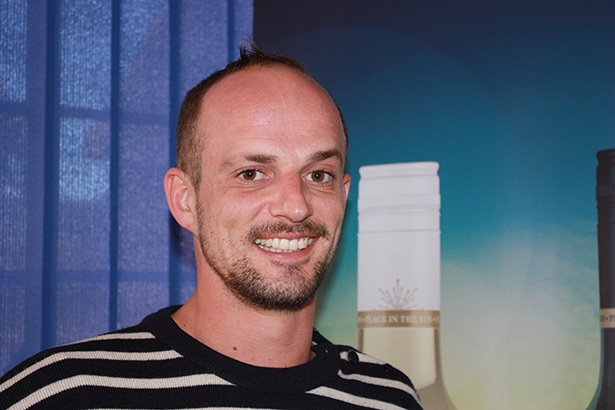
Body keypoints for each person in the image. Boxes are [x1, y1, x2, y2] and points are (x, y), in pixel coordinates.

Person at [0, 42, 423, 410]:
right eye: (251, 174)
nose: (296, 206)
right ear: (185, 200)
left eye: (318, 174)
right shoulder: (64, 396)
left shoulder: (388, 398)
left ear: (343, 196)